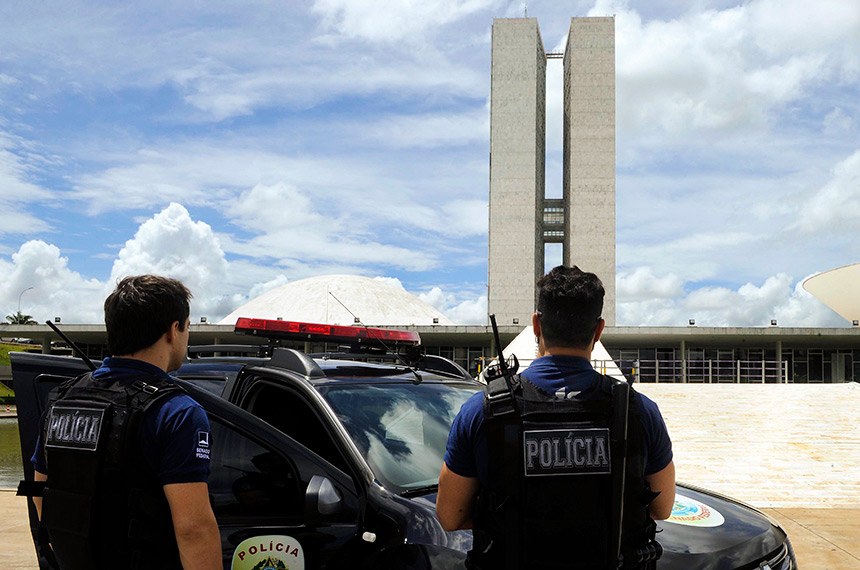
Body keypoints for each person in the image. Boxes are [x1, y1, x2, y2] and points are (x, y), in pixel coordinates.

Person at [437, 265, 675, 569]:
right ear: (598, 330)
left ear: (536, 325)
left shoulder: (481, 411)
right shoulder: (638, 411)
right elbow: (663, 507)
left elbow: (449, 516)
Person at [31, 275, 221, 569]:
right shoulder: (178, 412)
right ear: (173, 330)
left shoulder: (63, 398)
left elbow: (41, 490)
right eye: (187, 327)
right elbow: (193, 529)